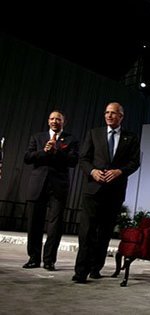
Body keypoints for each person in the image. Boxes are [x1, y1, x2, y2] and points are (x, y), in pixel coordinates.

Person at [72, 102, 141, 283]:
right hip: (93, 190)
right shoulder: (94, 133)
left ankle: (96, 268)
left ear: (121, 116)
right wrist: (92, 171)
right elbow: (84, 158)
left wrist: (120, 171)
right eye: (107, 113)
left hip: (115, 192)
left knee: (104, 232)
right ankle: (81, 271)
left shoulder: (131, 138)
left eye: (113, 113)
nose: (109, 116)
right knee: (87, 231)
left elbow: (135, 162)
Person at [23, 110, 79, 271]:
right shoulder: (37, 137)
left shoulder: (71, 139)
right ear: (48, 121)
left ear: (64, 122)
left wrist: (57, 151)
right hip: (37, 185)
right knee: (34, 223)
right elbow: (27, 158)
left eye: (58, 119)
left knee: (55, 225)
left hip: (58, 186)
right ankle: (33, 258)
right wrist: (44, 152)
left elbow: (73, 161)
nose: (55, 121)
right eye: (52, 118)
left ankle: (49, 260)